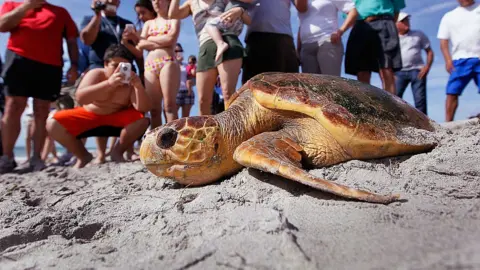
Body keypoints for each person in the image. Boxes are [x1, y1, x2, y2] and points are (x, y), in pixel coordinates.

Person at [0, 0, 79, 173]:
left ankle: (37, 158)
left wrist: (74, 65)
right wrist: (27, 6)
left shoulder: (61, 12)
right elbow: (3, 25)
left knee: (42, 110)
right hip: (18, 59)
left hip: (50, 65)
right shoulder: (12, 4)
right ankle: (6, 157)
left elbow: (72, 40)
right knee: (13, 107)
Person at [46, 45, 151, 169]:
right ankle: (83, 155)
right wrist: (109, 84)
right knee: (53, 122)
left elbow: (142, 108)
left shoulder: (131, 82)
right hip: (90, 116)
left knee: (142, 119)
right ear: (105, 64)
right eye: (115, 65)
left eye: (124, 66)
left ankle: (117, 152)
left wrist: (138, 86)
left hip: (117, 119)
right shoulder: (96, 74)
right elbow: (81, 97)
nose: (119, 70)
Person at [169, 0, 250, 116]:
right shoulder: (192, 3)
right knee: (203, 101)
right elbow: (173, 14)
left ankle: (232, 132)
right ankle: (206, 133)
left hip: (229, 40)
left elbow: (248, 18)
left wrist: (240, 11)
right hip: (205, 46)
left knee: (228, 95)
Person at [126, 0, 181, 129]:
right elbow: (140, 46)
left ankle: (174, 139)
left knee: (169, 106)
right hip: (150, 65)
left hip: (168, 62)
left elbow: (171, 39)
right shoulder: (149, 24)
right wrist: (131, 42)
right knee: (154, 109)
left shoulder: (174, 19)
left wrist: (149, 40)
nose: (156, 2)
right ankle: (157, 144)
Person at [344, 0, 405, 95]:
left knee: (386, 67)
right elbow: (348, 14)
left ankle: (390, 106)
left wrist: (388, 24)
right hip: (360, 26)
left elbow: (396, 10)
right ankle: (365, 104)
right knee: (362, 69)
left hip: (384, 21)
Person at [241, 0, 307, 84]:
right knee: (257, 87)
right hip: (258, 37)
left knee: (289, 87)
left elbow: (302, 8)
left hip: (285, 40)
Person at [437, 0, 480, 122]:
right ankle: (448, 123)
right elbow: (443, 41)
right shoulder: (449, 16)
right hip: (459, 60)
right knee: (452, 92)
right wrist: (447, 59)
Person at [297, 0, 358, 76]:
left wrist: (340, 31)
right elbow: (301, 25)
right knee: (310, 85)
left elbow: (353, 11)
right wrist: (298, 49)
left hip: (328, 41)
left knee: (331, 82)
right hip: (306, 47)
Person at [395, 12, 434, 115]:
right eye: (403, 21)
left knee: (420, 99)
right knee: (394, 98)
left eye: (407, 20)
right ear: (396, 23)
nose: (406, 23)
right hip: (399, 72)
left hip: (417, 71)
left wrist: (427, 67)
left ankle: (424, 125)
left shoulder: (418, 34)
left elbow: (429, 52)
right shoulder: (392, 37)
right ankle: (398, 121)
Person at [80, 0, 138, 70]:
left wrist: (141, 70)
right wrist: (98, 14)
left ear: (119, 3)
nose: (110, 1)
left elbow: (137, 50)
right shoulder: (90, 19)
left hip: (125, 68)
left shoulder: (128, 24)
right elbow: (87, 40)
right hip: (100, 67)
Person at [175, 43, 195, 118]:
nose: (178, 52)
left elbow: (193, 78)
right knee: (173, 117)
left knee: (185, 118)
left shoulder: (186, 65)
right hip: (175, 92)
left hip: (187, 92)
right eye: (176, 51)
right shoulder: (170, 65)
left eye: (180, 50)